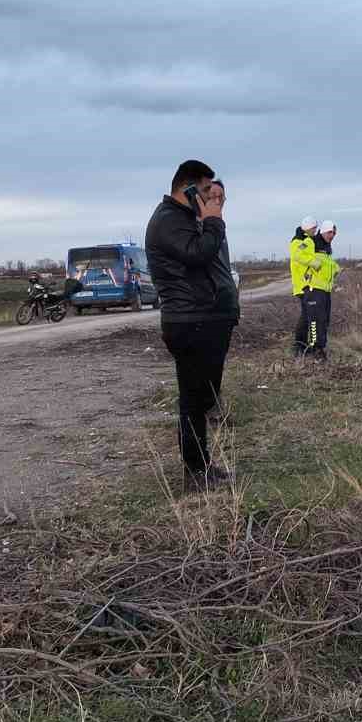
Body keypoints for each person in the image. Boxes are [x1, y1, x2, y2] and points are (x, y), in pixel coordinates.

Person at [145, 159, 239, 493]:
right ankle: (195, 472)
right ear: (186, 188)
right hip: (189, 321)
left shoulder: (184, 219)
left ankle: (201, 466)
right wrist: (213, 220)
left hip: (205, 318)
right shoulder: (168, 220)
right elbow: (199, 254)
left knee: (200, 399)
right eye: (202, 190)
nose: (208, 198)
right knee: (192, 401)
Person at [301, 221, 340, 359]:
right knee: (314, 321)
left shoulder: (327, 247)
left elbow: (327, 263)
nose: (332, 235)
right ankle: (313, 350)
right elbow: (298, 254)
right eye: (330, 232)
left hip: (325, 290)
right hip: (313, 289)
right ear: (322, 231)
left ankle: (320, 348)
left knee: (324, 321)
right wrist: (314, 263)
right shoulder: (311, 242)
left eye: (334, 233)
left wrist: (336, 268)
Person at [288, 218, 319, 356]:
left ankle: (304, 345)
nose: (315, 231)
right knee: (306, 316)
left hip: (308, 284)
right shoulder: (299, 242)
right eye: (313, 228)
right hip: (303, 285)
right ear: (307, 228)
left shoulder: (306, 240)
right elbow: (297, 255)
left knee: (308, 315)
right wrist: (314, 263)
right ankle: (299, 345)